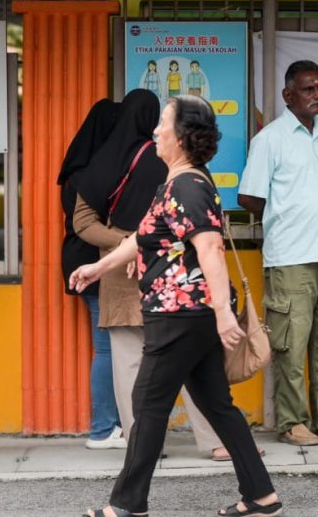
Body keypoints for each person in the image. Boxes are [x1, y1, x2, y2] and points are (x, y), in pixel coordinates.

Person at [72, 95, 281, 517]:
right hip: (187, 314)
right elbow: (142, 239)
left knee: (148, 404)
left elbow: (210, 248)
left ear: (182, 137)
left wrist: (223, 313)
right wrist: (99, 266)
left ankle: (127, 505)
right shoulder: (178, 181)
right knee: (217, 405)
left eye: (163, 124)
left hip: (181, 313)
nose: (155, 132)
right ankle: (261, 494)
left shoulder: (186, 185)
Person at [72, 88, 236, 462]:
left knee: (130, 362)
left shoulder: (102, 163)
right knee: (193, 362)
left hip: (122, 272)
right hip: (175, 274)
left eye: (165, 122)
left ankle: (143, 444)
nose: (158, 130)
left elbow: (83, 221)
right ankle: (215, 441)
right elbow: (196, 237)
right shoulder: (178, 169)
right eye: (157, 120)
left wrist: (115, 249)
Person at [238, 60, 318, 447]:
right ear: (288, 95)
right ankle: (292, 422)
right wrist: (286, 216)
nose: (317, 96)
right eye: (309, 89)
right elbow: (248, 196)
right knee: (290, 344)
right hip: (290, 256)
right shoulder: (271, 139)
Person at [57, 98, 125, 449]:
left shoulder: (75, 169)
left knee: (108, 347)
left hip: (80, 262)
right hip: (97, 264)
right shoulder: (98, 172)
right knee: (109, 347)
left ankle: (108, 426)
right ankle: (102, 428)